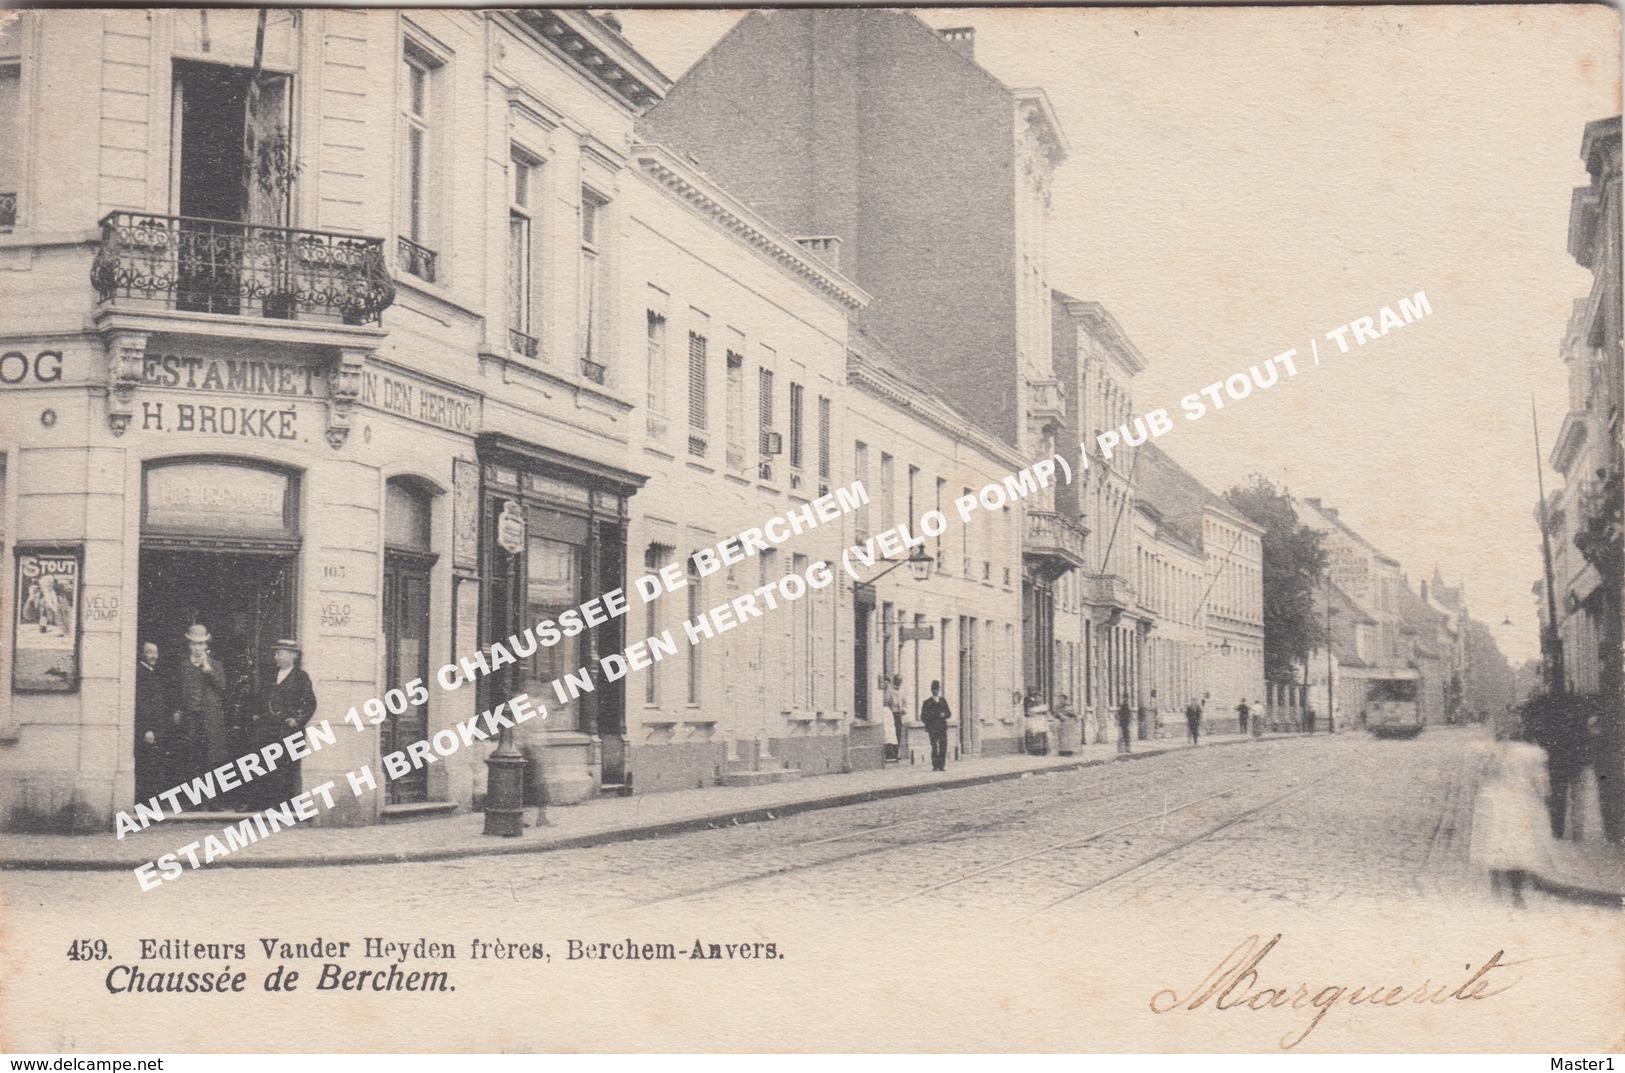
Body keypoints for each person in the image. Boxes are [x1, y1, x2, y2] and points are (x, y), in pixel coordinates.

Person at [1471, 717, 1550, 909]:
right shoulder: (1531, 754)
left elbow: (1479, 777)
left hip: (1494, 802)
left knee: (1494, 841)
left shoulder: (1490, 752)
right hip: (1519, 802)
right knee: (1518, 844)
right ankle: (1516, 893)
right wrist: (1543, 798)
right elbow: (1541, 783)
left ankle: (1496, 888)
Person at [260, 639, 317, 808]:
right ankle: (267, 803)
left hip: (291, 730)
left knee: (289, 767)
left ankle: (287, 806)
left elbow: (310, 703)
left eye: (280, 653)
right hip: (271, 728)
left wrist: (297, 720)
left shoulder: (301, 677)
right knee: (268, 764)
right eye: (276, 653)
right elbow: (262, 698)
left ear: (293, 656)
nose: (276, 657)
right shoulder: (271, 675)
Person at [174, 624, 229, 789]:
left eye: (201, 644)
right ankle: (194, 799)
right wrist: (177, 710)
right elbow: (176, 689)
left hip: (210, 717)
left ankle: (212, 800)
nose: (197, 648)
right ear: (189, 645)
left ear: (206, 645)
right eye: (194, 644)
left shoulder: (215, 664)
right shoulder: (183, 665)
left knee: (212, 758)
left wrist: (208, 670)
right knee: (192, 756)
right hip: (191, 717)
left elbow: (223, 687)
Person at [134, 642, 168, 799]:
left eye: (155, 652)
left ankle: (149, 798)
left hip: (155, 728)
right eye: (149, 652)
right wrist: (147, 728)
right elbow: (142, 704)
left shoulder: (151, 671)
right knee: (147, 764)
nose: (153, 656)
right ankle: (145, 800)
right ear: (142, 654)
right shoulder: (141, 673)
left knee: (152, 763)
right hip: (147, 729)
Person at [920, 679, 952, 772]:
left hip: (942, 727)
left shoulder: (943, 701)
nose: (935, 691)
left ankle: (941, 765)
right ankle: (935, 765)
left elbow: (949, 713)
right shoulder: (927, 702)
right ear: (931, 690)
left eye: (937, 689)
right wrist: (929, 723)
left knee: (943, 745)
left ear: (939, 690)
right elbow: (923, 716)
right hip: (932, 728)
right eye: (934, 689)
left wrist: (944, 715)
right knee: (934, 746)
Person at [882, 674, 905, 762]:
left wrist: (904, 709)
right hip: (891, 714)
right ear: (895, 681)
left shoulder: (902, 691)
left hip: (899, 714)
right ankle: (890, 753)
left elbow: (904, 702)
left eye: (901, 681)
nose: (899, 682)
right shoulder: (890, 690)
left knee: (898, 733)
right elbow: (886, 702)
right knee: (890, 733)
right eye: (898, 680)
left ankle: (896, 753)